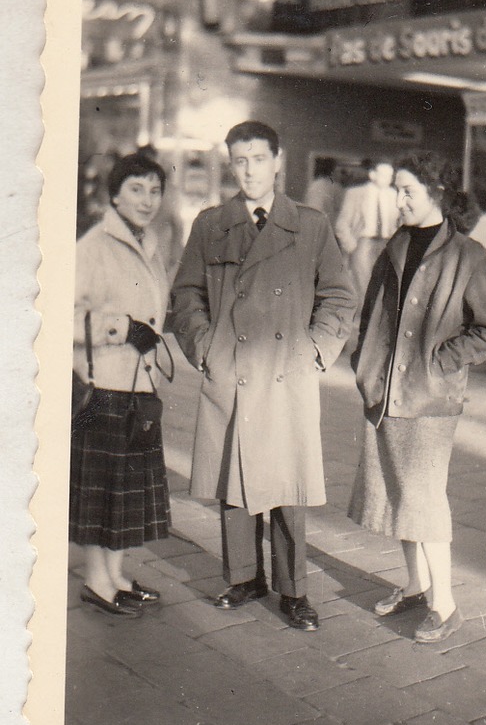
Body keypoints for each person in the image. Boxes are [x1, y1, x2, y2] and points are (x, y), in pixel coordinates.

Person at [170, 121, 356, 631]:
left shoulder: (312, 225)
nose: (248, 170)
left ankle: (293, 590)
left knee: (288, 487)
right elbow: (186, 295)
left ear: (279, 161)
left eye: (257, 158)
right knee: (235, 481)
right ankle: (243, 577)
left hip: (285, 373)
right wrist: (205, 349)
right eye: (239, 160)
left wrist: (315, 351)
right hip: (231, 369)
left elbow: (339, 296)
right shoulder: (211, 224)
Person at [348, 151, 486, 644]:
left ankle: (446, 604)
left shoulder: (469, 255)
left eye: (407, 191)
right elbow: (371, 310)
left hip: (430, 401)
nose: (397, 200)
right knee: (399, 495)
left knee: (425, 500)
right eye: (396, 190)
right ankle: (415, 587)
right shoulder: (396, 243)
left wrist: (437, 363)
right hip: (387, 391)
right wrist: (365, 362)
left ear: (436, 193)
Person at [70, 152, 172, 618]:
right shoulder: (94, 246)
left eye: (154, 190)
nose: (148, 200)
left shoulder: (150, 242)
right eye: (136, 189)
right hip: (102, 386)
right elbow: (60, 312)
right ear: (114, 194)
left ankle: (115, 576)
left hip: (138, 387)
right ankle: (95, 578)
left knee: (124, 491)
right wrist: (118, 327)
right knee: (101, 490)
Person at [335, 159, 399, 302]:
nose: (387, 179)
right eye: (383, 174)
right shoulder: (356, 193)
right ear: (373, 175)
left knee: (385, 286)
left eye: (390, 175)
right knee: (362, 286)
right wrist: (352, 246)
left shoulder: (396, 196)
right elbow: (342, 224)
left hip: (388, 244)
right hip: (363, 243)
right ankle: (361, 321)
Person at [304, 157, 344, 224]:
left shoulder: (313, 185)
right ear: (332, 171)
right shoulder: (335, 187)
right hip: (326, 223)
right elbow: (341, 208)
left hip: (313, 222)